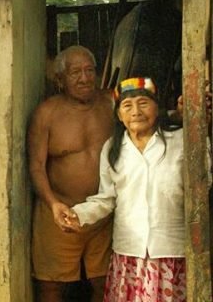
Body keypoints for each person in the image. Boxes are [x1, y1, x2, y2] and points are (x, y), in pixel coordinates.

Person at [65, 77, 208, 301]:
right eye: (127, 105)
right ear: (119, 116)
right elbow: (107, 199)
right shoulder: (113, 148)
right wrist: (78, 214)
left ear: (158, 108)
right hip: (129, 255)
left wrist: (201, 122)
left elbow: (204, 180)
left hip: (173, 251)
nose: (136, 111)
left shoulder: (181, 140)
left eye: (143, 103)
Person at [27, 45, 114, 302]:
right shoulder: (47, 113)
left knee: (105, 281)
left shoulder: (111, 104)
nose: (85, 78)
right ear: (60, 79)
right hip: (58, 213)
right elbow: (36, 166)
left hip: (103, 213)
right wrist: (54, 204)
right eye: (75, 72)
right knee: (52, 286)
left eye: (89, 70)